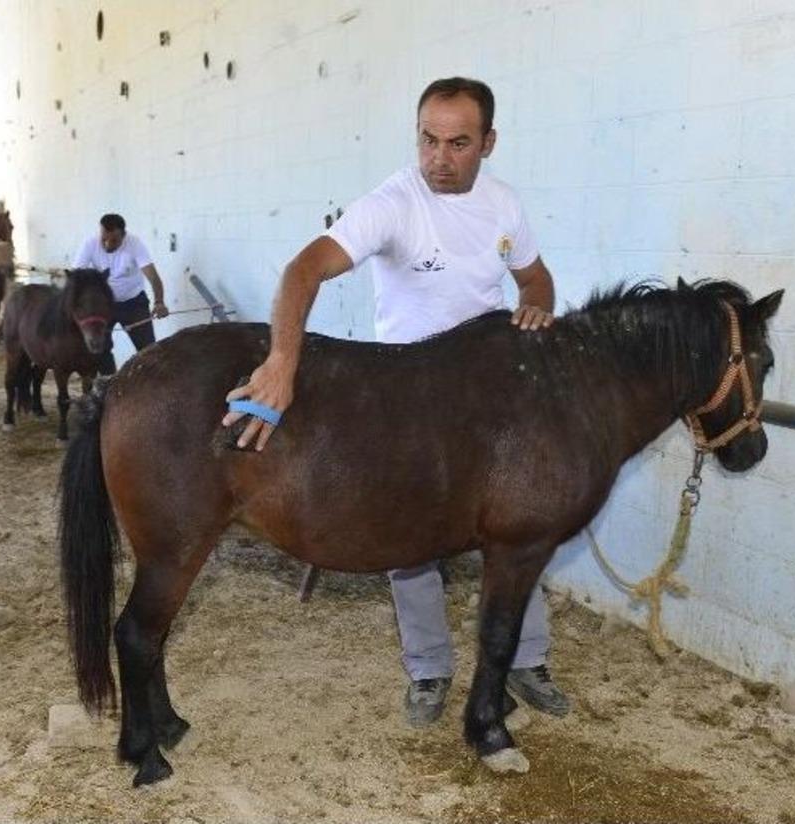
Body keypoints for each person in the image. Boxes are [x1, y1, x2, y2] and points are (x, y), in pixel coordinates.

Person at [222, 77, 571, 726]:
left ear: (488, 143)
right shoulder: (392, 204)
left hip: (492, 396)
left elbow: (536, 276)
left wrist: (536, 310)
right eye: (427, 140)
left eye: (458, 143)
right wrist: (281, 361)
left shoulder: (504, 205)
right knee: (411, 542)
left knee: (523, 527)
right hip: (408, 396)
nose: (439, 157)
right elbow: (303, 270)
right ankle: (430, 669)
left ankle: (526, 659)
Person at [73, 213, 169, 375]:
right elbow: (76, 276)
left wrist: (159, 302)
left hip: (133, 302)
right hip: (103, 306)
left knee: (148, 350)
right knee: (100, 348)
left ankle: (149, 385)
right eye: (104, 238)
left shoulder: (135, 244)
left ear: (123, 235)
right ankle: (108, 384)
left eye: (114, 240)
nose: (107, 244)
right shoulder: (90, 244)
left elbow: (153, 276)